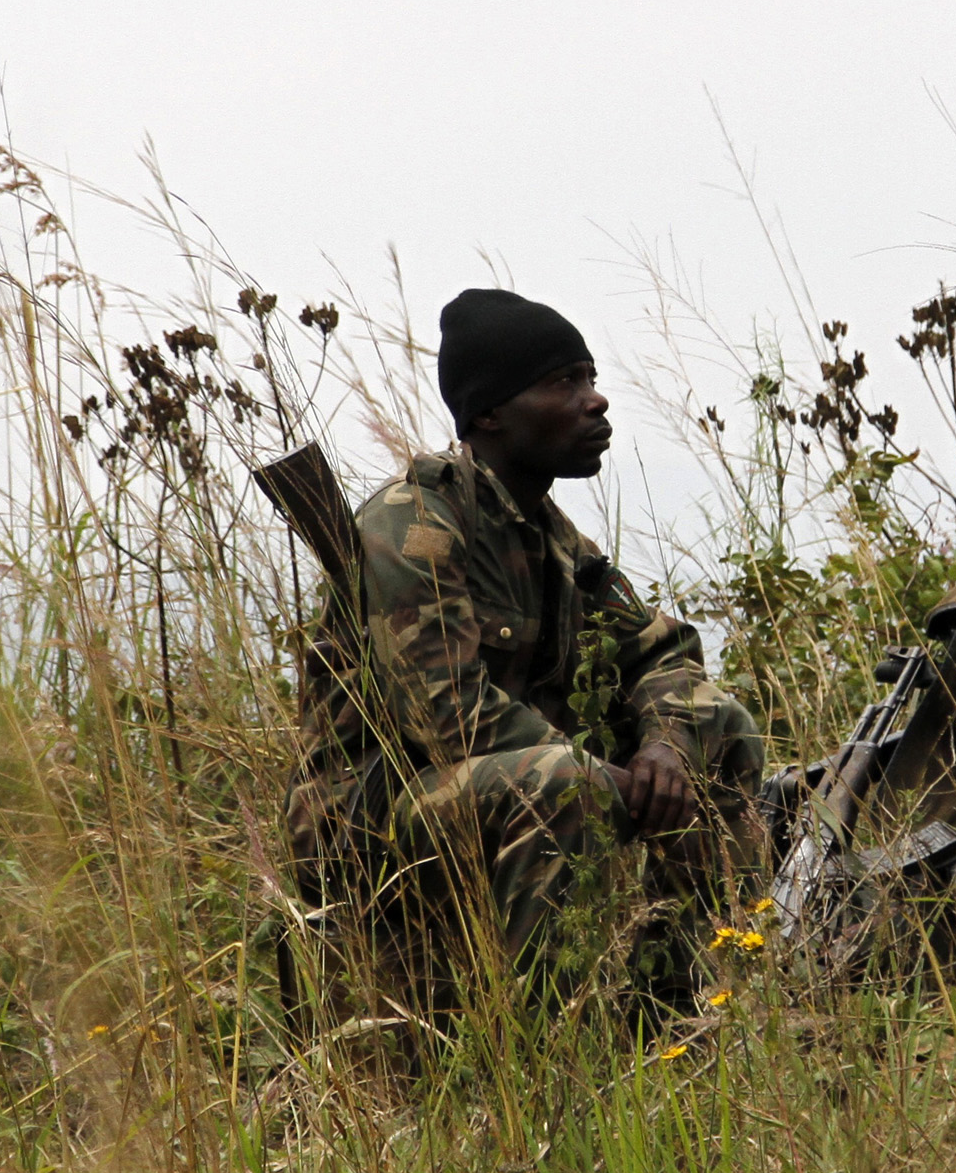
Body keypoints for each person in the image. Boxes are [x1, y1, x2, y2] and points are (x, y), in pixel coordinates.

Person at [284, 288, 763, 1025]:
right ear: (489, 414)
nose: (596, 400)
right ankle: (550, 1050)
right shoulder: (415, 524)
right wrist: (600, 773)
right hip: (370, 819)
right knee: (565, 780)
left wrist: (666, 744)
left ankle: (678, 1004)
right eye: (564, 382)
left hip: (492, 790)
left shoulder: (551, 537)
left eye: (591, 377)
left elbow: (662, 651)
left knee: (718, 727)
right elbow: (448, 716)